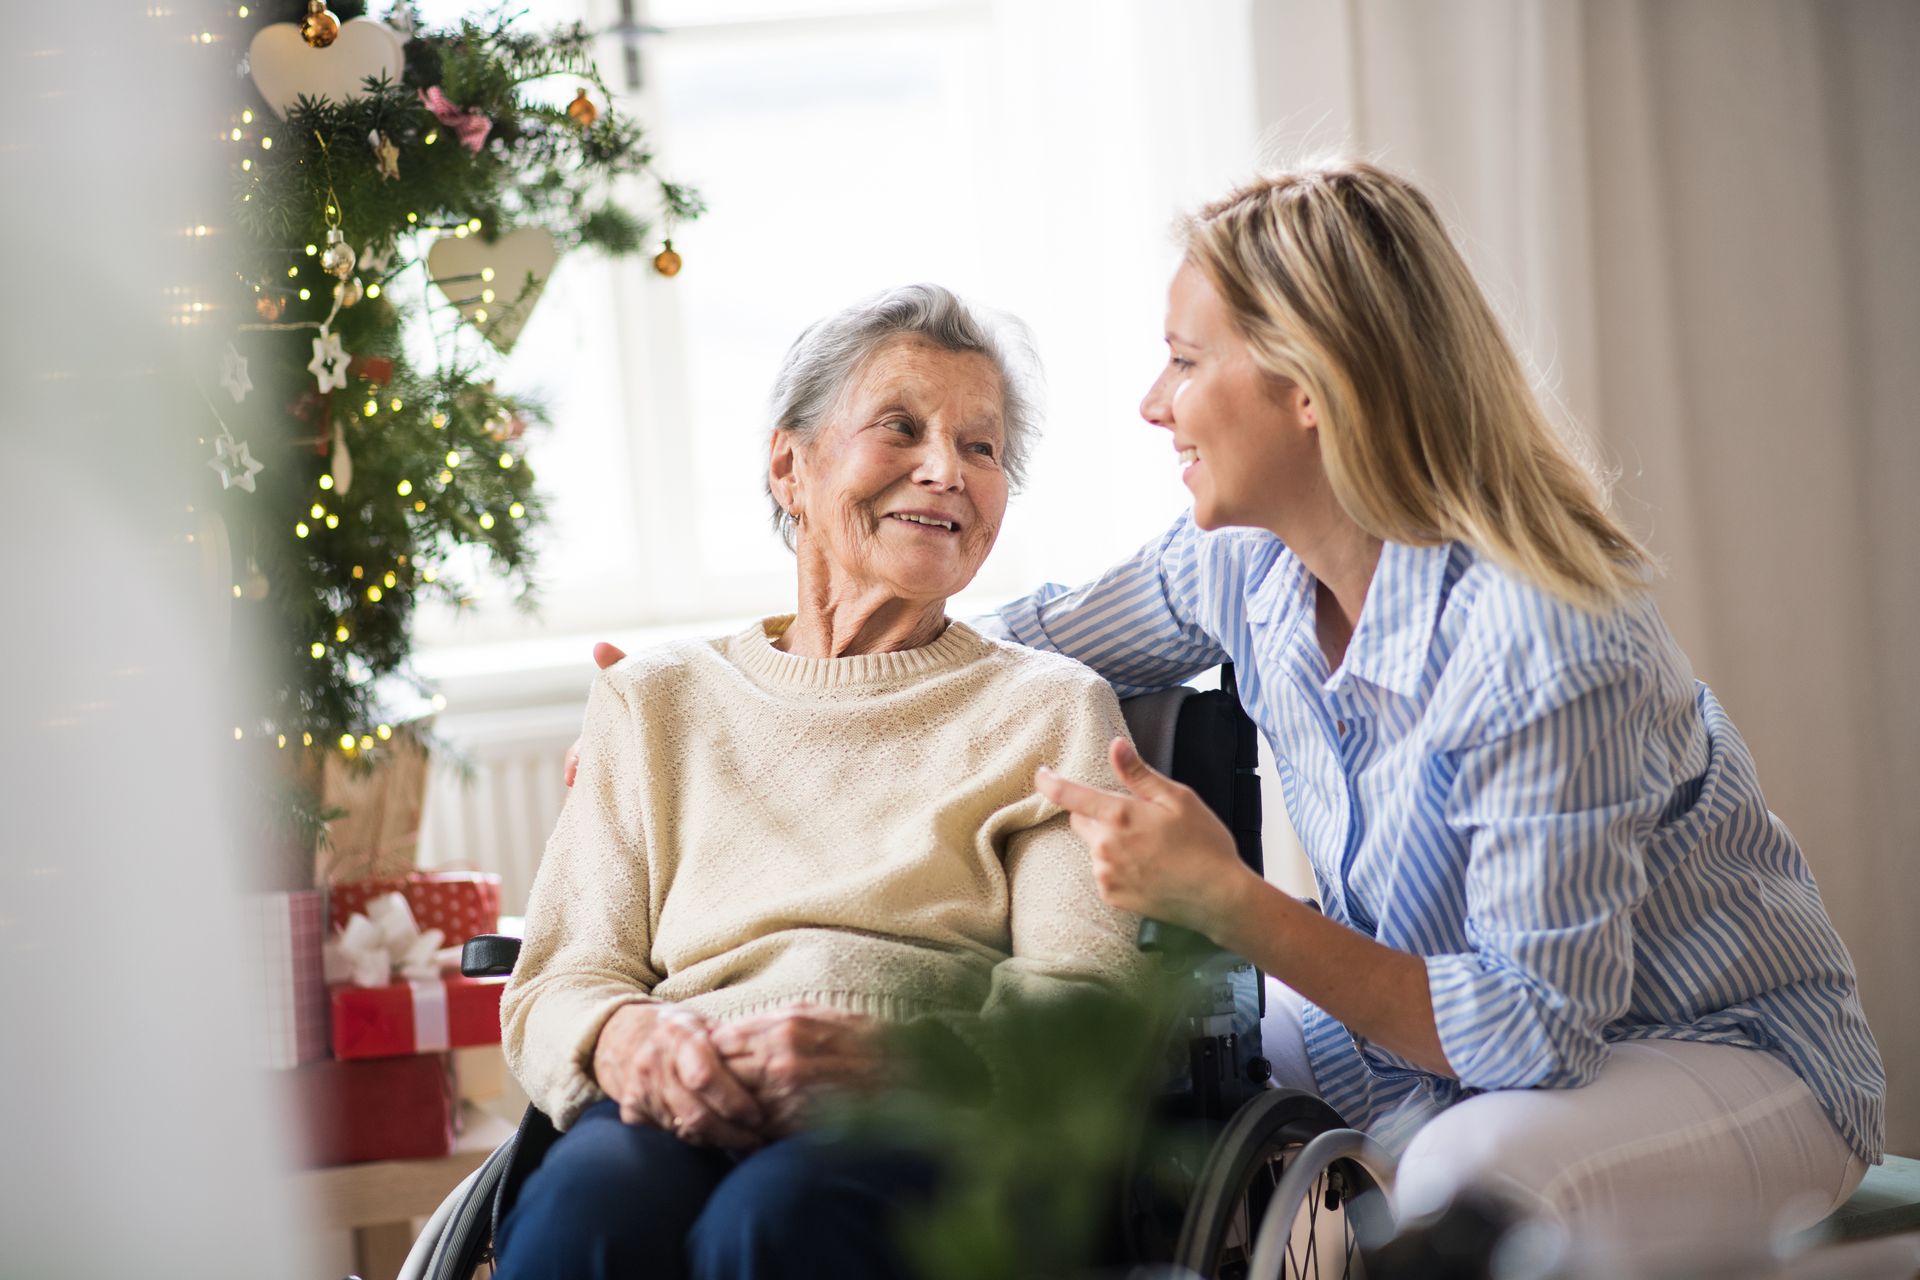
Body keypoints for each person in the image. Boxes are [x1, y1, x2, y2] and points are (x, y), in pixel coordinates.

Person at [1004, 161, 1885, 1265]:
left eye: (1184, 360)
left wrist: (1229, 901)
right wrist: (809, 636)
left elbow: (1532, 1031)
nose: (1153, 401)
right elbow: (1016, 649)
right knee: (1126, 1086)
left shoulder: (1545, 637)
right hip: (1437, 1049)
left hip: (1722, 1054)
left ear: (1309, 385)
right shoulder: (1242, 561)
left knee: (1466, 1179)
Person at [498, 284, 1141, 1280]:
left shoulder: (1052, 709)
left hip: (928, 1122)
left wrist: (898, 1063)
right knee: (589, 1211)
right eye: (902, 426)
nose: (946, 469)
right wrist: (629, 1042)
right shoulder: (654, 698)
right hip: (679, 1095)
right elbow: (559, 980)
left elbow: (1085, 1009)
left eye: (983, 447)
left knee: (775, 1220)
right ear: (790, 465)